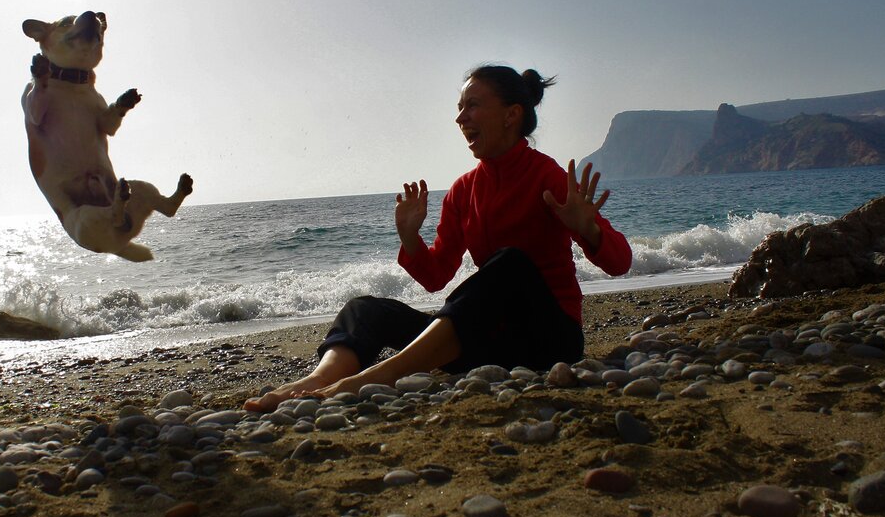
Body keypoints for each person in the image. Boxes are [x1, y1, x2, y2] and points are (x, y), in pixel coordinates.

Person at [244, 65, 632, 413]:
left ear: (511, 115)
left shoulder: (548, 177)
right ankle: (318, 380)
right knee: (364, 309)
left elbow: (620, 263)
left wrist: (588, 228)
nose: (460, 118)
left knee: (510, 263)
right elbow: (436, 277)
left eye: (472, 106)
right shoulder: (463, 190)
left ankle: (375, 377)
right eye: (460, 108)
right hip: (483, 341)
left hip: (548, 340)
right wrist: (410, 237)